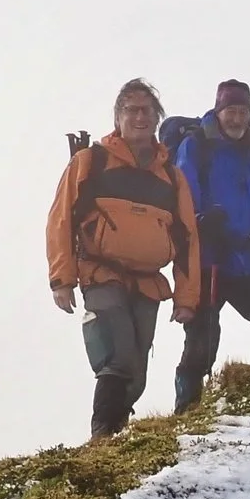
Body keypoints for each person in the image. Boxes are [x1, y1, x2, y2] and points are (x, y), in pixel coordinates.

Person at [46, 78, 202, 437]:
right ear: (117, 118)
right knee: (118, 359)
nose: (139, 116)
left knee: (136, 375)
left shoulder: (172, 177)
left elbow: (188, 239)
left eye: (146, 110)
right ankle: (101, 438)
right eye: (130, 109)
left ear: (157, 118)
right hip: (100, 274)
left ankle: (115, 434)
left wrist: (187, 297)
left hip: (148, 283)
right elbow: (61, 219)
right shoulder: (91, 161)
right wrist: (62, 278)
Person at [163, 80, 250, 412]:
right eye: (231, 111)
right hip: (204, 259)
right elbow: (185, 186)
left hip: (242, 259)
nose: (237, 118)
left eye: (243, 111)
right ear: (219, 111)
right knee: (202, 346)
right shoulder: (197, 144)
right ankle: (185, 414)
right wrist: (200, 220)